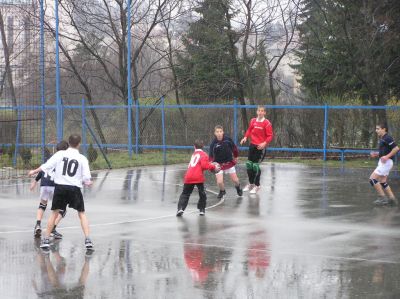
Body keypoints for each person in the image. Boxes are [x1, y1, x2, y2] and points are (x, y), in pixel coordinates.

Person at [28, 134, 94, 249]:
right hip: (74, 189)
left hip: (60, 188)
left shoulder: (59, 154)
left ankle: (46, 240)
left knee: (54, 213)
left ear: (69, 142)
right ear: (79, 144)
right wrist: (87, 182)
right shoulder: (82, 158)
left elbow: (46, 166)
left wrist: (34, 171)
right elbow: (86, 178)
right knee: (81, 214)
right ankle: (88, 240)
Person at [31, 140, 69, 239]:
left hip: (44, 184)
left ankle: (38, 224)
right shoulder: (64, 158)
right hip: (54, 185)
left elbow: (44, 169)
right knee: (62, 209)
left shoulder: (50, 158)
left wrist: (35, 181)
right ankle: (53, 229)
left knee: (42, 204)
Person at [176, 139, 220, 217]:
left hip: (188, 176)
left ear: (194, 146)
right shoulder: (204, 154)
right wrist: (213, 166)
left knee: (185, 194)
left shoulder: (193, 154)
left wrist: (209, 164)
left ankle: (180, 208)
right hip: (198, 176)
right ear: (203, 146)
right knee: (202, 194)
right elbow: (204, 166)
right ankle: (201, 209)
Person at [240, 106, 274, 194]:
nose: (260, 112)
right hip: (252, 145)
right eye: (259, 110)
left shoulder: (267, 123)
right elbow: (249, 129)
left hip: (260, 147)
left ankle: (257, 185)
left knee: (255, 166)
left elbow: (270, 136)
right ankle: (251, 184)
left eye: (262, 111)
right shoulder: (253, 120)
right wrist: (245, 137)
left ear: (264, 113)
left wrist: (264, 143)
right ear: (257, 111)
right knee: (249, 165)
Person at [369, 122, 399, 206]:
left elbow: (396, 148)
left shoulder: (388, 138)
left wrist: (386, 157)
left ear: (384, 129)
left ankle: (382, 198)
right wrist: (377, 154)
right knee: (382, 181)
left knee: (372, 179)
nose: (376, 130)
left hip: (386, 162)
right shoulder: (382, 138)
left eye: (378, 129)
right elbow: (384, 152)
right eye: (376, 129)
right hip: (383, 162)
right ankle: (392, 200)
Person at [209, 125, 242, 199]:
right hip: (218, 165)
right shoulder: (213, 143)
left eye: (220, 131)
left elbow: (234, 148)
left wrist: (236, 156)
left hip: (229, 163)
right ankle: (222, 191)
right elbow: (211, 156)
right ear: (215, 133)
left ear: (223, 132)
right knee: (219, 182)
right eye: (217, 132)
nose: (219, 133)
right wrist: (210, 163)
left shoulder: (228, 140)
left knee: (235, 180)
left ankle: (238, 188)